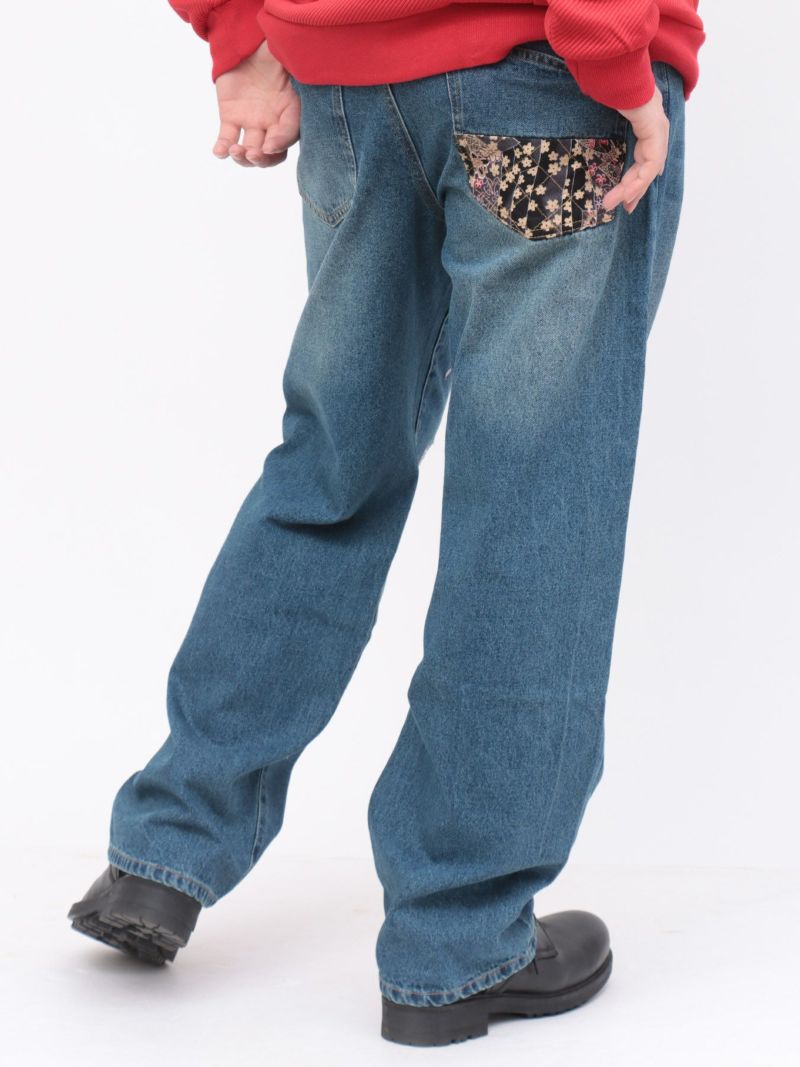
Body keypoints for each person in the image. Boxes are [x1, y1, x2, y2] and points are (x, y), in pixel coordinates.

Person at [67, 0, 705, 1047]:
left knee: (332, 463)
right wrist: (615, 57)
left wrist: (238, 31)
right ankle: (457, 938)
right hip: (546, 79)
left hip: (351, 93)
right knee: (532, 505)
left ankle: (166, 850)